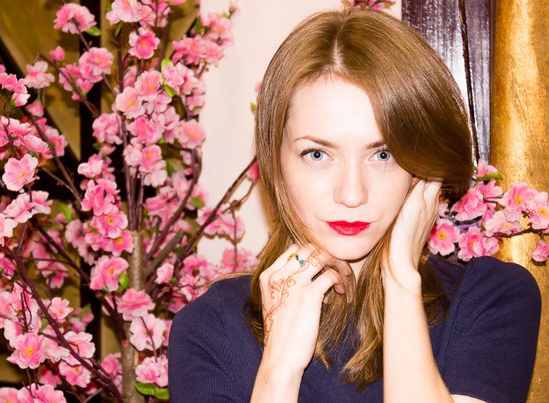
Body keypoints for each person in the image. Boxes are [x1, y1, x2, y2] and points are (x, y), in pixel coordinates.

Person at [168, 8, 541, 403]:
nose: (351, 194)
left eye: (383, 155)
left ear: (424, 172)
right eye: (317, 154)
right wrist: (278, 373)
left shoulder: (490, 300)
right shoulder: (209, 330)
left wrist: (400, 281)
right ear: (276, 165)